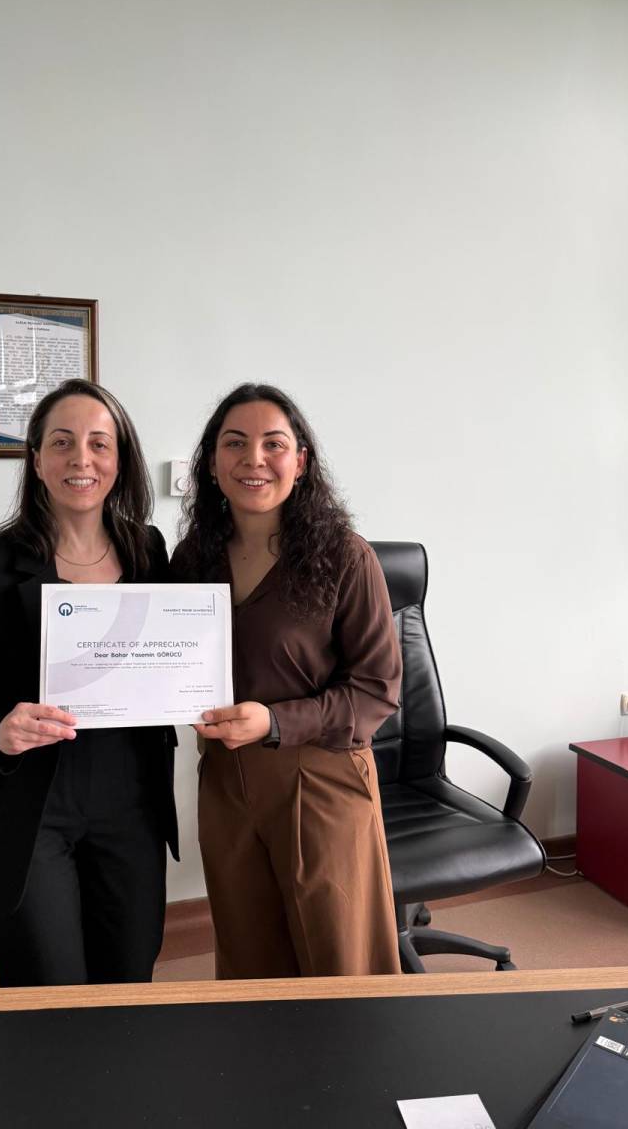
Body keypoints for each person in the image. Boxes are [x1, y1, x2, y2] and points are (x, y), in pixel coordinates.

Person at [0, 378, 177, 986]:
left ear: (121, 460)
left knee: (129, 984)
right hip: (28, 810)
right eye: (62, 443)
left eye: (99, 443)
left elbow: (171, 656)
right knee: (46, 993)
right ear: (37, 459)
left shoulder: (149, 552)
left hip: (131, 803)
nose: (80, 459)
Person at [171, 383, 402, 979]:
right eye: (234, 443)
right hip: (226, 781)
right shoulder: (192, 558)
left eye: (273, 444)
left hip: (320, 780)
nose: (254, 459)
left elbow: (377, 691)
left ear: (300, 461)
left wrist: (275, 722)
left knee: (340, 962)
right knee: (249, 960)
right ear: (212, 463)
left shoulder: (345, 557)